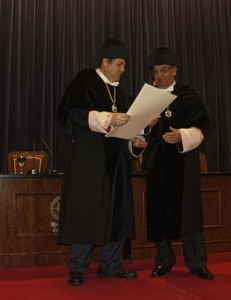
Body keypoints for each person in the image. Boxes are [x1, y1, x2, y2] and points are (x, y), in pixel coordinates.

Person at [57, 39, 137, 286]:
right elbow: (73, 114)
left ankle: (111, 265)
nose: (123, 70)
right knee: (85, 210)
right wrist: (109, 118)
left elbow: (129, 126)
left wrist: (137, 138)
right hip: (89, 159)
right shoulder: (85, 81)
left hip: (117, 164)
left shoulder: (122, 93)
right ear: (105, 62)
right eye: (120, 64)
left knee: (116, 212)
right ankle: (78, 268)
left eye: (124, 65)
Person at [135, 47, 215, 280]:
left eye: (164, 70)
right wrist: (140, 137)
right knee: (158, 212)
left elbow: (205, 128)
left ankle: (197, 262)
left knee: (188, 213)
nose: (159, 76)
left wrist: (182, 135)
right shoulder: (147, 98)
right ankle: (164, 260)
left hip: (183, 164)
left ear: (175, 71)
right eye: (155, 71)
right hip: (156, 164)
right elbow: (137, 133)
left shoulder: (189, 97)